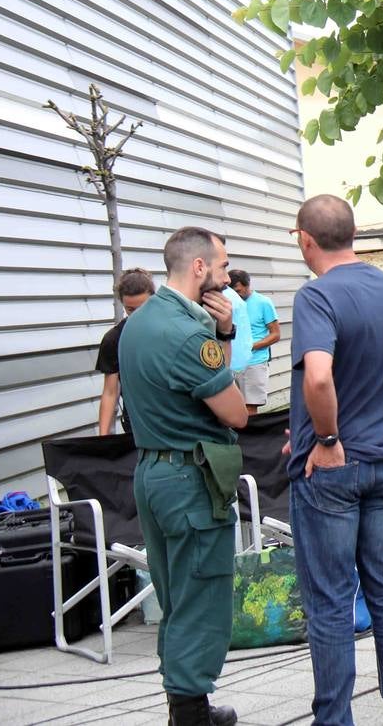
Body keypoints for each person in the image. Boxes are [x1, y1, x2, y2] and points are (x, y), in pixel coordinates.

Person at [286, 194, 383, 726]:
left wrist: (324, 438)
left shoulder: (316, 296)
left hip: (334, 470)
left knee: (329, 603)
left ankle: (334, 721)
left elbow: (321, 375)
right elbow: (375, 370)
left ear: (307, 240)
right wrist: (304, 429)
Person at [117, 227, 248, 725]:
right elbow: (235, 413)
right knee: (202, 594)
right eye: (221, 264)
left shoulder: (139, 322)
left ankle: (185, 705)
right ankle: (191, 713)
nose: (226, 274)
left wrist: (222, 333)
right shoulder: (189, 333)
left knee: (175, 596)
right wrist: (224, 335)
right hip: (190, 480)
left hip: (152, 473)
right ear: (198, 268)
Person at [96, 267, 155, 435]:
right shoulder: (113, 339)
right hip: (136, 424)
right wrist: (103, 437)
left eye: (143, 308)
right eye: (131, 310)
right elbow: (110, 392)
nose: (137, 315)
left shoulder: (172, 329)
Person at [228, 270, 279, 414]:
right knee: (232, 407)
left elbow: (275, 334)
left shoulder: (263, 302)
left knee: (250, 407)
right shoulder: (231, 303)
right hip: (231, 362)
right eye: (232, 292)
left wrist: (250, 346)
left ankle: (249, 437)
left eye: (238, 290)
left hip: (254, 362)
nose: (236, 295)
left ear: (247, 285)